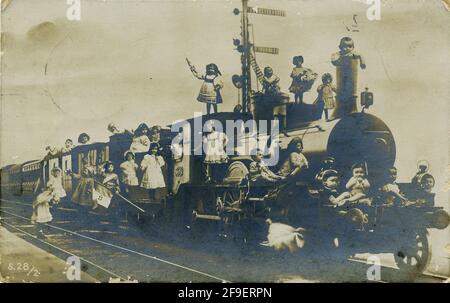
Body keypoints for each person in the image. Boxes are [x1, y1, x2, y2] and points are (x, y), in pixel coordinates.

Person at [31, 167, 64, 238]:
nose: (57, 174)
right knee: (41, 218)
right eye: (56, 172)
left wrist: (54, 199)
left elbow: (53, 197)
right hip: (41, 206)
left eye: (58, 172)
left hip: (44, 205)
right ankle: (39, 232)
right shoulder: (47, 192)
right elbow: (41, 200)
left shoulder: (51, 191)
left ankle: (40, 232)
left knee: (44, 219)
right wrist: (54, 199)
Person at [262, 66, 288, 135]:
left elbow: (277, 87)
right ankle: (271, 130)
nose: (270, 72)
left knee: (277, 114)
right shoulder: (264, 79)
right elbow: (264, 88)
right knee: (270, 115)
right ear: (265, 72)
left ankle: (281, 129)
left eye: (270, 70)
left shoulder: (275, 78)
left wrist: (277, 90)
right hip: (268, 98)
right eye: (268, 71)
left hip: (275, 97)